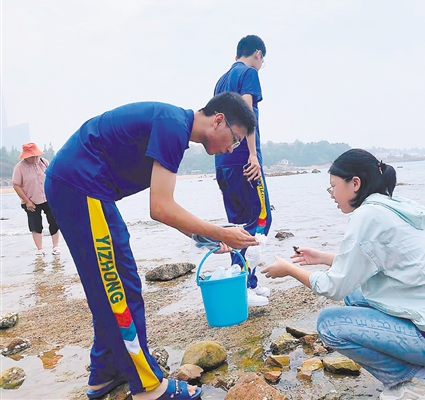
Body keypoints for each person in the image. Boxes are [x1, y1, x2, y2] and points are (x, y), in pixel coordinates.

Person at [44, 92, 258, 400]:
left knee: (112, 282)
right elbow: (160, 207)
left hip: (81, 185)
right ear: (218, 120)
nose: (231, 148)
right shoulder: (172, 126)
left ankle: (105, 372)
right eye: (235, 139)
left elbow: (165, 208)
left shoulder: (174, 126)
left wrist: (210, 237)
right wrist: (222, 233)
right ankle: (147, 387)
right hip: (80, 185)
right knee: (118, 286)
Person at [262, 149, 425, 400]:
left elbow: (334, 288)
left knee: (329, 324)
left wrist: (290, 270)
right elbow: (378, 265)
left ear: (355, 183)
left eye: (333, 186)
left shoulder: (367, 215)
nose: (332, 194)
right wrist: (321, 257)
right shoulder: (390, 207)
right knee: (356, 297)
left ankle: (420, 381)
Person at [213, 34, 272, 306]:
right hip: (243, 161)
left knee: (238, 225)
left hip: (223, 163)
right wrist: (252, 155)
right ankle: (247, 285)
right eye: (263, 60)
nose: (261, 65)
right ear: (257, 54)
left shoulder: (221, 81)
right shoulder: (248, 73)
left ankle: (243, 282)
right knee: (260, 221)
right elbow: (248, 112)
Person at [12, 142, 60, 257]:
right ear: (25, 156)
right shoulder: (19, 167)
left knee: (54, 221)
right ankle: (40, 249)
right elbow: (16, 185)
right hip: (30, 200)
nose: (34, 158)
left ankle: (56, 246)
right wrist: (27, 201)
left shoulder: (44, 162)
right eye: (31, 156)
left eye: (36, 155)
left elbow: (52, 178)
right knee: (35, 224)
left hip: (47, 198)